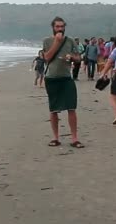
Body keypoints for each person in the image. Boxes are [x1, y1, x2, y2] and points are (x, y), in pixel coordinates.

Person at [43, 17, 84, 148]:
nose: (60, 29)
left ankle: (74, 138)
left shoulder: (71, 40)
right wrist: (56, 42)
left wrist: (72, 57)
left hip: (66, 78)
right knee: (54, 109)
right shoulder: (47, 41)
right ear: (53, 27)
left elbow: (79, 58)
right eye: (57, 27)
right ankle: (55, 138)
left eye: (62, 26)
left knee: (71, 107)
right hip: (51, 78)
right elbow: (47, 57)